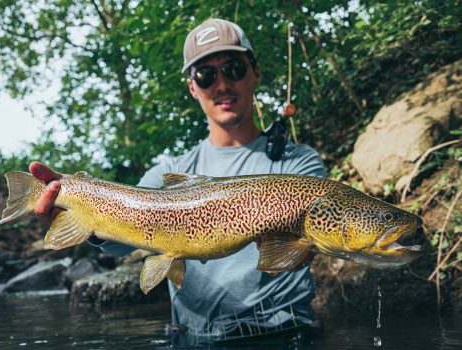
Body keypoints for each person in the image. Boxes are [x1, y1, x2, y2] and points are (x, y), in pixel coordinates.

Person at [31, 18, 326, 338]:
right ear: (192, 87)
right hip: (192, 337)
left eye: (233, 68)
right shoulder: (165, 173)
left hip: (284, 334)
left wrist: (297, 249)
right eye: (206, 75)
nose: (222, 83)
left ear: (255, 72)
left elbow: (311, 243)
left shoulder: (298, 164)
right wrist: (77, 205)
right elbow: (119, 241)